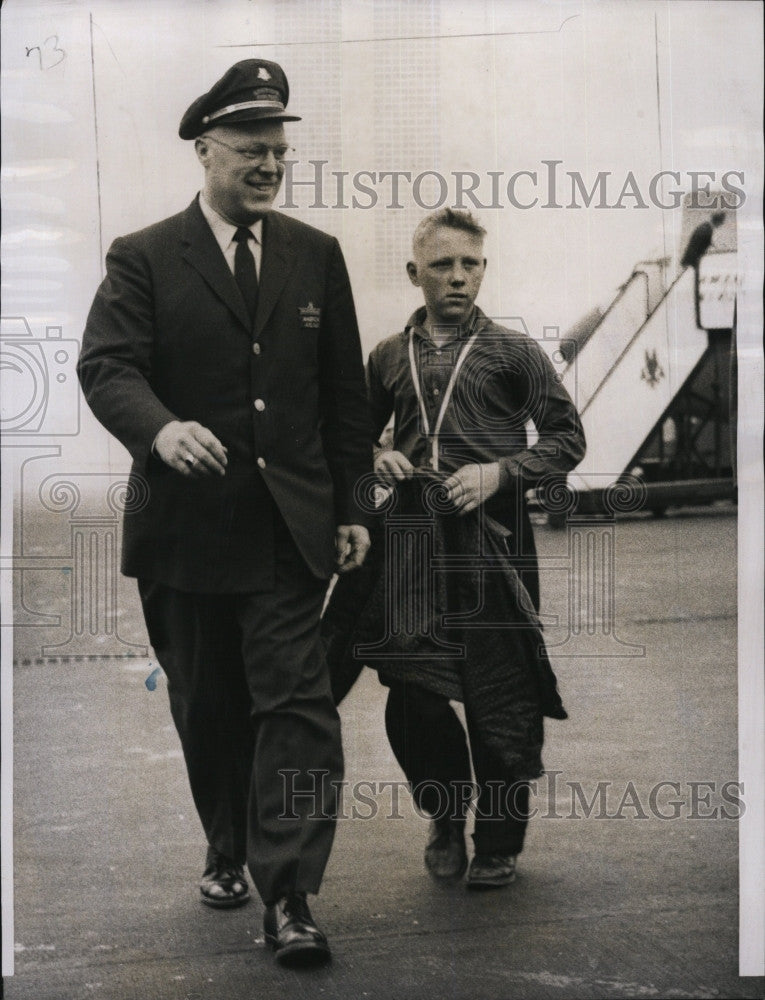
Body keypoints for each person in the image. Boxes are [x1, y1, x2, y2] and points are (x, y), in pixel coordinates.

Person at [78, 59, 372, 967]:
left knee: (298, 708)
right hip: (186, 534)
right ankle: (227, 840)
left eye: (279, 152)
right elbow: (107, 367)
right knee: (210, 710)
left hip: (288, 534)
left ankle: (288, 894)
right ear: (205, 150)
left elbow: (343, 400)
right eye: (251, 149)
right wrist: (160, 432)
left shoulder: (315, 254)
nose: (270, 165)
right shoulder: (142, 255)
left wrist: (352, 503)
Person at [356, 208, 585, 888]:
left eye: (471, 265)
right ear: (414, 272)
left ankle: (498, 841)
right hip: (413, 548)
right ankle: (443, 817)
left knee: (501, 698)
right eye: (442, 265)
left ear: (483, 269)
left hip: (495, 548)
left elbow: (566, 438)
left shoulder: (514, 353)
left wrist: (500, 472)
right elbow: (356, 438)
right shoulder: (387, 357)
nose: (458, 278)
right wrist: (378, 457)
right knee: (413, 696)